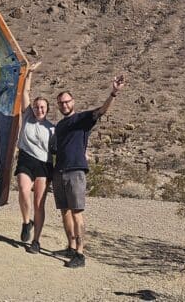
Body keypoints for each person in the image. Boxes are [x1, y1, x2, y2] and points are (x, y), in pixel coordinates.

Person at [52, 75, 125, 268]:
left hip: (75, 170)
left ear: (73, 102)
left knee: (76, 212)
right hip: (59, 170)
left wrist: (114, 93)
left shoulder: (82, 119)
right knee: (64, 211)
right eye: (61, 103)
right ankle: (70, 245)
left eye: (66, 101)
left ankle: (80, 253)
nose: (64, 105)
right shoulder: (59, 126)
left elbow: (102, 110)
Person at [15, 61, 54, 254]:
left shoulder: (52, 128)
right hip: (26, 159)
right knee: (23, 190)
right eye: (37, 106)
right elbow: (25, 93)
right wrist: (29, 74)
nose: (39, 109)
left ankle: (36, 241)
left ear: (47, 109)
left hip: (44, 165)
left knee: (39, 202)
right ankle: (26, 221)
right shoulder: (28, 116)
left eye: (42, 107)